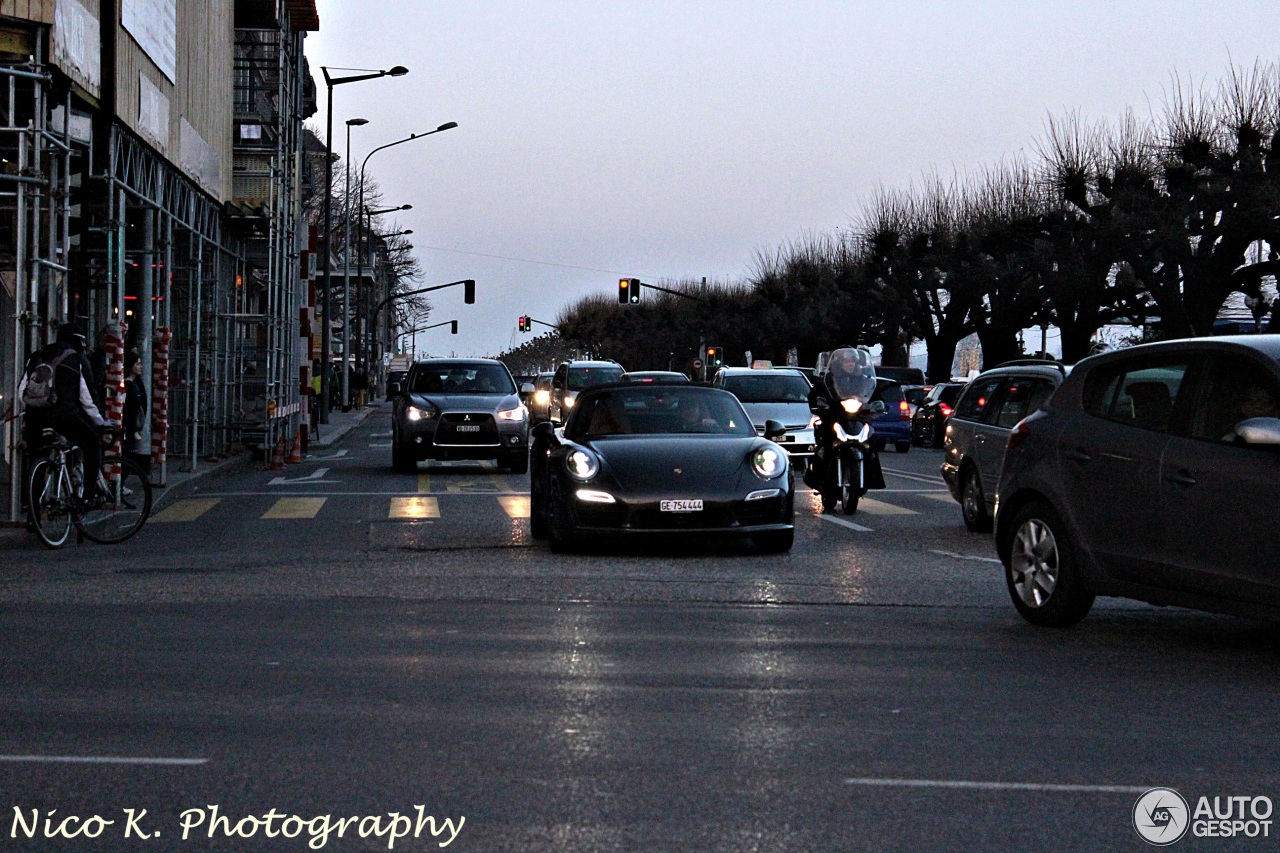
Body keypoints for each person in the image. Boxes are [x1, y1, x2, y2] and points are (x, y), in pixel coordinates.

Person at [18, 323, 114, 506]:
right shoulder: (77, 359)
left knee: (37, 458)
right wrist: (100, 422)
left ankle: (32, 512)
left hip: (35, 417)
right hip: (64, 416)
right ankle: (87, 497)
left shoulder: (36, 357)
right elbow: (87, 399)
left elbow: (22, 391)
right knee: (92, 443)